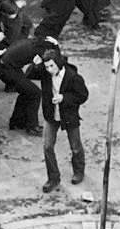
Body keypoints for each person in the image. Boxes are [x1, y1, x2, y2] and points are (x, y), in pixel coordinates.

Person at [31, 50, 89, 193]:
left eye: (51, 66)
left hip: (68, 115)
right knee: (47, 146)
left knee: (75, 145)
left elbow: (83, 95)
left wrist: (64, 98)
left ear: (58, 63)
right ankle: (53, 178)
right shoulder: (45, 73)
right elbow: (28, 74)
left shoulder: (73, 77)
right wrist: (35, 64)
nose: (49, 70)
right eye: (46, 67)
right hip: (51, 115)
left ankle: (79, 171)